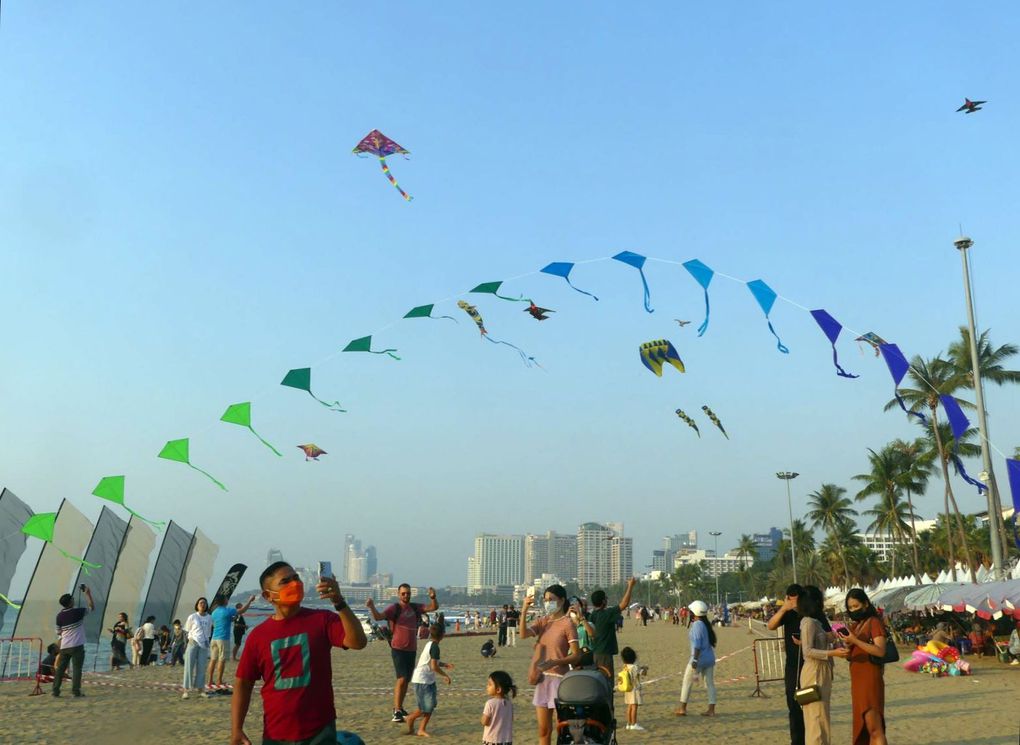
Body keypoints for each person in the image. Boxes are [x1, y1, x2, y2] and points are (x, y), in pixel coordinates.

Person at [231, 561, 367, 745]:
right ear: (268, 596)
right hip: (276, 733)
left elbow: (358, 642)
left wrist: (339, 601)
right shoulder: (258, 636)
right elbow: (243, 683)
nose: (294, 584)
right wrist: (236, 729)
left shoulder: (322, 620)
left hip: (320, 730)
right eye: (285, 581)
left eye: (296, 578)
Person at [365, 583, 438, 723]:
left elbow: (433, 607)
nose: (406, 596)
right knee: (402, 678)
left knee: (406, 680)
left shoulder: (415, 607)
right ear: (399, 594)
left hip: (411, 649)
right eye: (403, 593)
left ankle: (400, 707)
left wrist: (433, 597)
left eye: (408, 593)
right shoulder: (395, 608)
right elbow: (379, 617)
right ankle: (396, 710)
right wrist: (371, 606)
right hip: (398, 648)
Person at [520, 585, 583, 745]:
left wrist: (556, 661)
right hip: (541, 679)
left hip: (559, 680)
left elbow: (576, 655)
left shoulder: (568, 624)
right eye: (546, 600)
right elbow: (523, 634)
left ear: (562, 600)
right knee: (543, 730)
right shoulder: (543, 621)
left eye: (551, 600)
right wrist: (524, 610)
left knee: (561, 728)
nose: (548, 603)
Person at [831, 588, 887, 745]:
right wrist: (847, 646)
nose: (854, 610)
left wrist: (855, 641)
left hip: (870, 679)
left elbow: (880, 651)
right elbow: (852, 654)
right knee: (864, 725)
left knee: (874, 727)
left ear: (866, 604)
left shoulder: (874, 622)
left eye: (856, 606)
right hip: (858, 681)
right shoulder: (857, 625)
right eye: (850, 608)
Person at [798, 588, 843, 744]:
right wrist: (833, 653)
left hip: (822, 670)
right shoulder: (809, 622)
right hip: (814, 671)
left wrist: (831, 638)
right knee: (816, 718)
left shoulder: (816, 622)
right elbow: (808, 651)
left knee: (821, 717)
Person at [767, 584, 807, 745]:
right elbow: (771, 625)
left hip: (809, 665)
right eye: (791, 599)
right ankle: (797, 741)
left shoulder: (811, 612)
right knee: (793, 704)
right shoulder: (787, 613)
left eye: (796, 599)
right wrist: (784, 608)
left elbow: (828, 634)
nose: (793, 602)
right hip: (792, 666)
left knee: (808, 703)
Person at [405, 621, 453, 737]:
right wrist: (445, 675)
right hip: (422, 680)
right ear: (442, 635)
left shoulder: (430, 644)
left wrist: (444, 664)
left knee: (429, 707)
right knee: (425, 708)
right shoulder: (434, 647)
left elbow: (432, 662)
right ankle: (410, 718)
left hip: (427, 680)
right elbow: (433, 666)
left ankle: (421, 729)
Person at [589, 577, 636, 684]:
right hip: (604, 654)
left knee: (597, 682)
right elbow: (624, 604)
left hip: (594, 653)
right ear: (603, 601)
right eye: (606, 598)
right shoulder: (606, 614)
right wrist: (630, 586)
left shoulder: (592, 615)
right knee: (606, 682)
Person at [674, 599, 716, 717]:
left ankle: (682, 708)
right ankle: (711, 710)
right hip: (709, 658)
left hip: (698, 659)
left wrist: (695, 660)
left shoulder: (697, 625)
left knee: (687, 682)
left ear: (694, 612)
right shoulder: (705, 624)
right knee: (710, 684)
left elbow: (697, 646)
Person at [52, 585, 93, 698]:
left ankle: (55, 690)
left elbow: (58, 632)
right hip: (77, 646)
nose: (74, 600)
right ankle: (76, 691)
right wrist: (88, 593)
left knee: (60, 669)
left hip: (65, 646)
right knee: (77, 669)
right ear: (70, 602)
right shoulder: (78, 612)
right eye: (72, 599)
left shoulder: (59, 616)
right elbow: (91, 607)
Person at [208, 595, 255, 687]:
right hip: (223, 638)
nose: (227, 600)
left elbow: (223, 621)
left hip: (214, 638)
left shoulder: (214, 612)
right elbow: (242, 610)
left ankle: (210, 680)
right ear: (224, 601)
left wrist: (232, 619)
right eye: (226, 599)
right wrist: (249, 601)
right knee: (222, 660)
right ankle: (219, 681)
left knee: (213, 660)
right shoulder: (228, 610)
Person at [182, 597, 213, 699]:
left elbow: (209, 631)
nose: (202, 604)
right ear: (197, 605)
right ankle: (186, 690)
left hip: (204, 644)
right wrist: (188, 642)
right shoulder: (192, 616)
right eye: (200, 603)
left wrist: (207, 641)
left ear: (206, 605)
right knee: (189, 666)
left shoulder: (209, 617)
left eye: (204, 603)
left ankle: (201, 689)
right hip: (193, 642)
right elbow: (187, 630)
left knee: (201, 667)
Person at [481, 670, 516, 745]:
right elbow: (511, 719)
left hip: (491, 740)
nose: (487, 686)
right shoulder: (509, 703)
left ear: (498, 689)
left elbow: (485, 722)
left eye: (490, 684)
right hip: (507, 740)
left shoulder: (490, 703)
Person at [620, 646, 647, 731]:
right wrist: (645, 669)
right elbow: (643, 674)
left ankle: (628, 723)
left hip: (627, 689)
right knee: (634, 706)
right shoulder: (635, 667)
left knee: (629, 706)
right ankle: (634, 723)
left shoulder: (625, 666)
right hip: (634, 689)